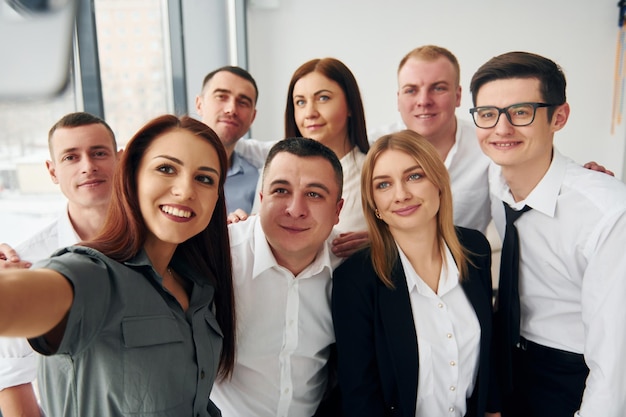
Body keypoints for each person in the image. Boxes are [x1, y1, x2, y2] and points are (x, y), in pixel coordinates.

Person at [0, 115, 236, 417]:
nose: (185, 190)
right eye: (166, 169)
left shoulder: (200, 286)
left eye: (204, 178)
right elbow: (19, 300)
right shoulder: (94, 274)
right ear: (131, 175)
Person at [469, 51, 626, 416]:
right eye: (488, 114)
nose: (502, 129)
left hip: (573, 373)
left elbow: (614, 361)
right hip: (508, 361)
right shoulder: (496, 181)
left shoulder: (608, 213)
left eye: (521, 112)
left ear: (559, 117)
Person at [331, 130, 494, 416]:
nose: (401, 194)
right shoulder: (355, 279)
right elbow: (360, 395)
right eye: (383, 185)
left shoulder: (475, 249)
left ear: (439, 183)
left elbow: (491, 349)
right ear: (375, 206)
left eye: (414, 176)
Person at [210, 137, 344, 416]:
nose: (295, 209)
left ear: (337, 211)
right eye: (281, 190)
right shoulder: (219, 259)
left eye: (315, 194)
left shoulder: (350, 265)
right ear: (261, 199)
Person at [0, 112, 121, 417]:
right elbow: (14, 383)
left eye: (99, 153)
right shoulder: (27, 264)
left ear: (120, 160)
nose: (88, 166)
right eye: (71, 157)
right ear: (52, 171)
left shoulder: (158, 242)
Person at [232, 57, 370, 255]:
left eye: (323, 98)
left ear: (350, 105)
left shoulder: (374, 174)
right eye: (300, 102)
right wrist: (242, 225)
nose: (309, 113)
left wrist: (383, 241)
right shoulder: (273, 170)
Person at [195, 65, 260, 214]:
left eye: (243, 102)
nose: (231, 109)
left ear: (253, 117)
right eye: (221, 97)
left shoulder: (257, 180)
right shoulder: (167, 167)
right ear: (199, 104)